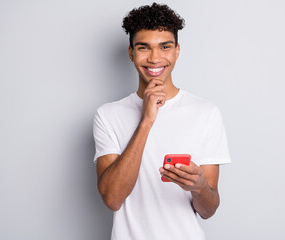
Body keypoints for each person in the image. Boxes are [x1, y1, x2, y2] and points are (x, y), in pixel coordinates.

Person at [93, 3, 231, 239]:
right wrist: (146, 121)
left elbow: (208, 210)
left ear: (177, 51)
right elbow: (113, 199)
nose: (155, 58)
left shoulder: (206, 113)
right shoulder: (108, 115)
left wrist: (199, 188)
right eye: (143, 47)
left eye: (164, 47)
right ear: (131, 53)